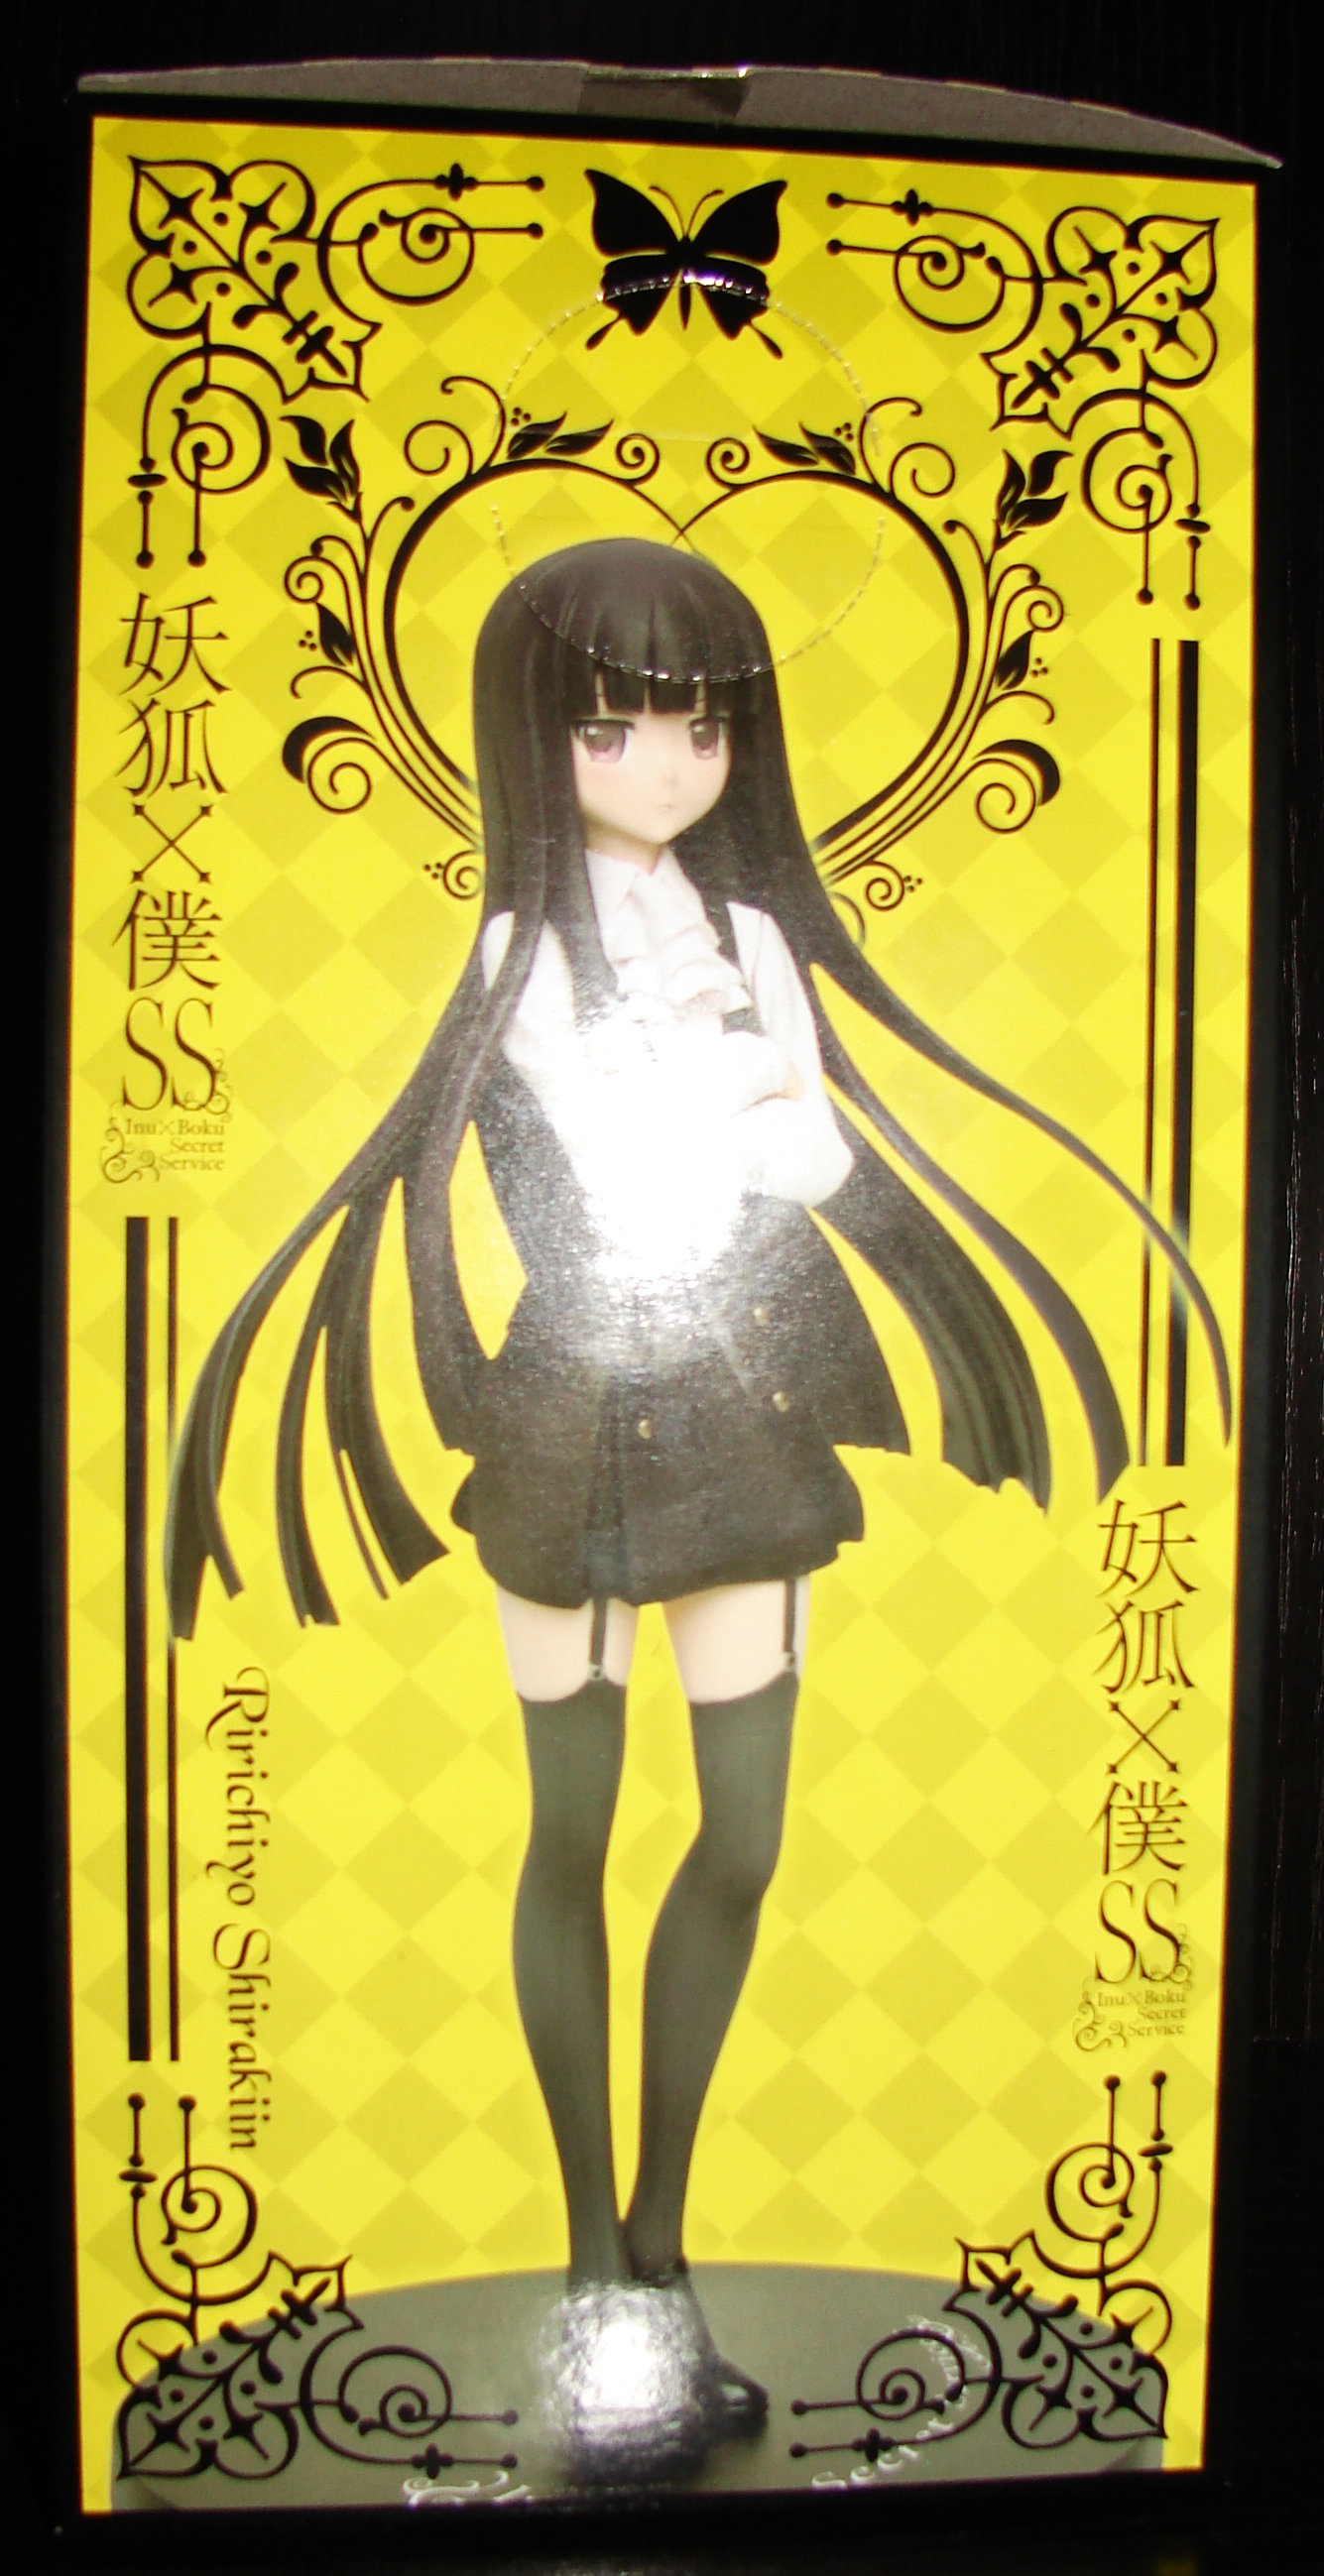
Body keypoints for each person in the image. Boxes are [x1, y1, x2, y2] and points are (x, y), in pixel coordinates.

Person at [166, 536, 1228, 2452]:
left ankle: (663, 2245)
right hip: (571, 1424)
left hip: (739, 1413)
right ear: (537, 735)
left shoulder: (750, 936)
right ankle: (598, 2272)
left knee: (742, 1831)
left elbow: (813, 1163)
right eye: (612, 726)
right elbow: (589, 1164)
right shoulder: (512, 951)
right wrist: (711, 1107)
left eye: (701, 723)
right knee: (569, 1832)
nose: (665, 762)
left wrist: (760, 1103)